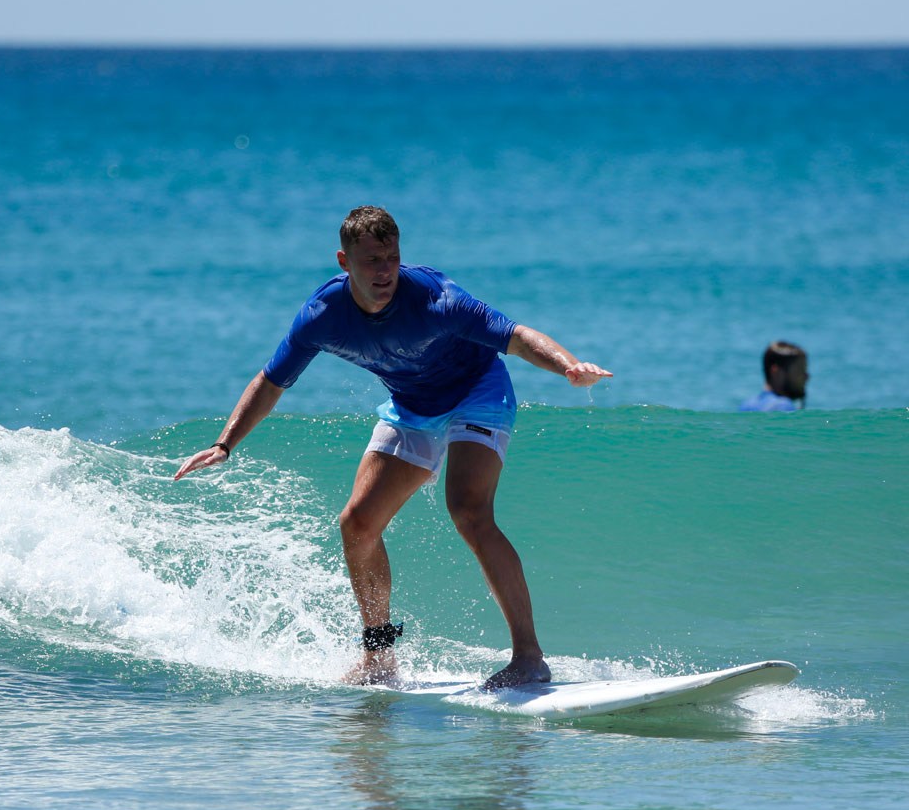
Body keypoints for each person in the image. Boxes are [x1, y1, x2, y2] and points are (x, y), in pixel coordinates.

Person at [174, 206, 612, 689]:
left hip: (478, 392)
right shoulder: (321, 316)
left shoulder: (437, 299)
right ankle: (379, 658)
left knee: (468, 510)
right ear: (345, 262)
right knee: (357, 524)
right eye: (371, 260)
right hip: (411, 405)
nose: (385, 271)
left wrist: (568, 366)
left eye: (392, 257)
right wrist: (225, 444)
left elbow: (515, 336)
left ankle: (529, 658)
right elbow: (272, 381)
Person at [739, 341, 809, 412]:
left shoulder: (746, 406)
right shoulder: (783, 406)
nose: (806, 377)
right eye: (800, 371)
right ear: (776, 372)